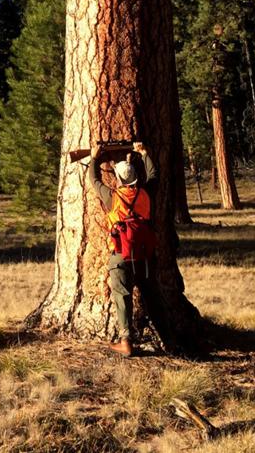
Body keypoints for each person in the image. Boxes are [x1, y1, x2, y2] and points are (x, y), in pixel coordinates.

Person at [88, 141, 155, 357]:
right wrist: (144, 154)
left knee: (122, 296)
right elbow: (153, 176)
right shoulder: (146, 194)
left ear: (117, 179)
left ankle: (126, 341)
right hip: (144, 256)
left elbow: (94, 180)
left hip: (120, 256)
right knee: (151, 295)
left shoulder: (112, 197)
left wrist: (94, 158)